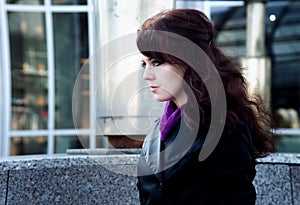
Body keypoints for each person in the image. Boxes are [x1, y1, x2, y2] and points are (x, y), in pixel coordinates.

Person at [136, 9, 274, 205]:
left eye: (157, 62)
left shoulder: (225, 128)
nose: (147, 75)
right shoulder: (158, 129)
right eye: (144, 64)